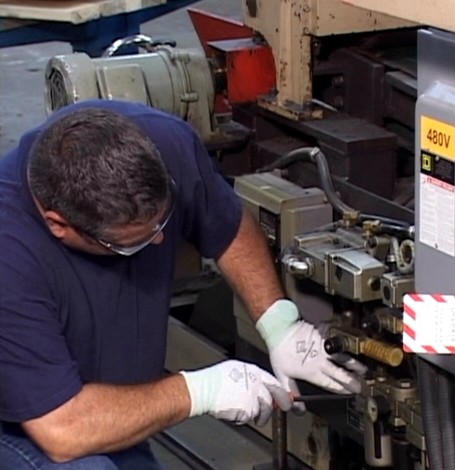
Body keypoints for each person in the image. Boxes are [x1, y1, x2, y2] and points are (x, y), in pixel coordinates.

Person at [0, 100, 365, 469]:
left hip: (105, 403)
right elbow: (63, 430)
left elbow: (226, 224)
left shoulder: (159, 141)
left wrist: (280, 324)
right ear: (58, 224)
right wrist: (201, 391)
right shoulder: (10, 257)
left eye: (164, 222)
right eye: (133, 243)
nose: (160, 242)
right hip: (26, 424)